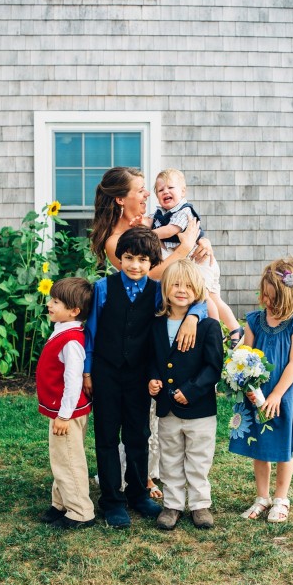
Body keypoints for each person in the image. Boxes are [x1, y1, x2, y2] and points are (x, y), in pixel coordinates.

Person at [83, 226, 207, 528]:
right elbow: (92, 331)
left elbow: (196, 301)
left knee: (139, 435)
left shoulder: (157, 291)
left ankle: (138, 493)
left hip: (139, 376)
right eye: (128, 258)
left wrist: (194, 316)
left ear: (152, 262)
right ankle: (113, 500)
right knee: (108, 437)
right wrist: (87, 370)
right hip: (106, 372)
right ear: (120, 259)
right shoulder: (103, 288)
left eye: (142, 260)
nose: (135, 265)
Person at [229, 257, 293, 523]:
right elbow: (246, 352)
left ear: (288, 296)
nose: (266, 301)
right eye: (264, 295)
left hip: (283, 394)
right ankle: (262, 497)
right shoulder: (254, 320)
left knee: (282, 448)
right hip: (258, 393)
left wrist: (277, 395)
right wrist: (238, 360)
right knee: (260, 446)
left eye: (272, 297)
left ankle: (280, 499)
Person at [148, 259, 223, 531]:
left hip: (200, 409)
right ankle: (172, 504)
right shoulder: (156, 325)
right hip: (167, 407)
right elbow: (153, 360)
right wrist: (153, 380)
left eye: (189, 285)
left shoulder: (208, 326)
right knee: (170, 458)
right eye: (176, 284)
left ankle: (200, 504)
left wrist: (190, 391)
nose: (182, 290)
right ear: (166, 287)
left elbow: (213, 367)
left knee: (198, 458)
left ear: (198, 289)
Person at [147, 168, 241, 344]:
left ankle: (216, 330)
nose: (165, 192)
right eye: (160, 190)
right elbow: (148, 221)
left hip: (199, 260)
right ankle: (235, 328)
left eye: (171, 188)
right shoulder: (160, 214)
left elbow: (170, 230)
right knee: (214, 297)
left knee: (204, 295)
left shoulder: (184, 211)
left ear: (183, 191)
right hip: (195, 260)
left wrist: (150, 234)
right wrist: (140, 223)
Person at [37, 277, 96, 530]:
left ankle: (81, 511)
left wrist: (63, 415)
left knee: (69, 459)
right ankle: (60, 502)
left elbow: (72, 382)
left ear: (74, 311)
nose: (50, 304)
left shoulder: (71, 340)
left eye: (56, 302)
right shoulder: (62, 330)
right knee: (61, 456)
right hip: (64, 411)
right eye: (51, 299)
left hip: (67, 413)